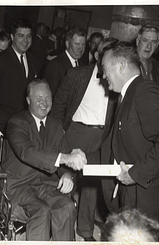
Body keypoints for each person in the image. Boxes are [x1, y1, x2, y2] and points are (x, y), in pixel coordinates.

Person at [100, 41, 159, 242]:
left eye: (104, 69)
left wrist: (135, 174)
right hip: (139, 194)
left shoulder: (145, 91)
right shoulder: (126, 95)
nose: (103, 76)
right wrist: (84, 158)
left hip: (157, 199)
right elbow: (117, 145)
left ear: (120, 66)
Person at [50, 37, 118, 241]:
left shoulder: (117, 80)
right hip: (75, 132)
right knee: (65, 179)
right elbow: (59, 106)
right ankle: (58, 226)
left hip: (101, 136)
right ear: (97, 55)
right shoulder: (77, 74)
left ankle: (85, 230)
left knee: (91, 186)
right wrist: (57, 133)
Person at [3, 79, 87, 241]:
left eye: (48, 98)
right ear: (28, 101)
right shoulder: (17, 123)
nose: (44, 103)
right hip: (19, 186)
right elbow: (27, 152)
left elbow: (65, 156)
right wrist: (65, 158)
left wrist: (67, 175)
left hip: (46, 185)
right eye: (39, 99)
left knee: (66, 206)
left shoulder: (56, 126)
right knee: (41, 210)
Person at [0, 18, 40, 173]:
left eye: (28, 36)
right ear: (12, 37)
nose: (25, 40)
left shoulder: (34, 61)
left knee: (15, 168)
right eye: (21, 35)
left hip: (23, 125)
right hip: (0, 124)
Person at [43, 26, 86, 96]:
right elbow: (49, 94)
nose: (80, 48)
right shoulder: (56, 64)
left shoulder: (82, 65)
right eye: (77, 44)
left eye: (83, 44)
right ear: (67, 44)